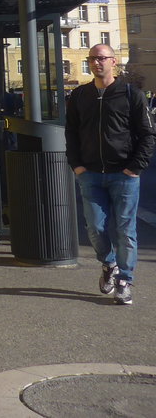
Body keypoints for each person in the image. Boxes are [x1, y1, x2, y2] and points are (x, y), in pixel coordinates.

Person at [65, 44, 155, 305]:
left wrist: (136, 166)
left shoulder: (130, 94)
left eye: (102, 58)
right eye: (92, 58)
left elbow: (148, 134)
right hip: (90, 174)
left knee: (125, 230)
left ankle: (125, 280)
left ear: (113, 62)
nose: (96, 63)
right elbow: (71, 131)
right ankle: (109, 264)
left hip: (124, 175)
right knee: (95, 227)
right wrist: (76, 164)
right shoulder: (81, 95)